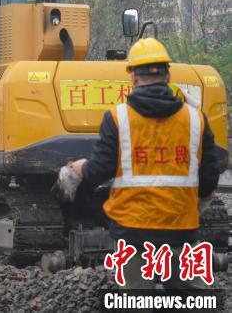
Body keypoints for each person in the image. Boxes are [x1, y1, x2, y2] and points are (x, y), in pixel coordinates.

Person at [64, 38, 222, 289]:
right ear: (168, 76)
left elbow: (100, 170)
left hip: (132, 233)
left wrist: (80, 168)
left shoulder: (117, 118)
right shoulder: (196, 119)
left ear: (134, 78)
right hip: (181, 230)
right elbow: (209, 181)